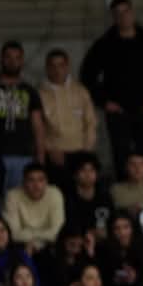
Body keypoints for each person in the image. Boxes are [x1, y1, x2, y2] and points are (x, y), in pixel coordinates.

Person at [80, 0, 143, 178]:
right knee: (121, 156)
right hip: (118, 112)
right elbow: (87, 75)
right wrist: (104, 101)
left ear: (132, 13)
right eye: (117, 13)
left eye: (125, 12)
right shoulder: (105, 44)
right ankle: (124, 192)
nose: (123, 17)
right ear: (113, 17)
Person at [0, 41, 46, 191]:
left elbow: (38, 127)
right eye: (8, 57)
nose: (12, 61)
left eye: (17, 58)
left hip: (23, 156)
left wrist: (40, 157)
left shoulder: (30, 91)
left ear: (22, 60)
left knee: (19, 198)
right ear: (1, 59)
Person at [39, 49, 98, 187]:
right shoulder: (39, 94)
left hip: (80, 152)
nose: (57, 70)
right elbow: (37, 127)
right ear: (47, 68)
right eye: (53, 66)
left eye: (61, 65)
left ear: (67, 67)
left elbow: (91, 122)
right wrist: (50, 149)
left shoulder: (81, 92)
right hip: (54, 154)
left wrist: (86, 151)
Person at [3, 162, 65, 256]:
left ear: (46, 182)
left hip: (50, 245)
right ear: (24, 182)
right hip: (20, 245)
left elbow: (58, 231)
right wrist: (42, 236)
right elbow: (12, 233)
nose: (36, 185)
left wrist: (37, 244)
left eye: (41, 180)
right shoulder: (12, 196)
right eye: (31, 180)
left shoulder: (55, 194)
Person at [63, 154, 113, 237]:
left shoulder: (105, 196)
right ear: (75, 175)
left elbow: (111, 219)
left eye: (92, 170)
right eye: (83, 170)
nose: (88, 174)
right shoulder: (68, 198)